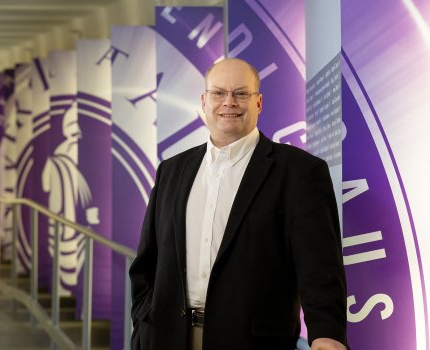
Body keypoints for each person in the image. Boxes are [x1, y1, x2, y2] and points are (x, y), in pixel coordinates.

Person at [129, 58, 349, 350]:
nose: (229, 102)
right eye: (219, 93)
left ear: (258, 102)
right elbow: (148, 260)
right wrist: (144, 318)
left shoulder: (299, 172)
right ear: (204, 102)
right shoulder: (172, 170)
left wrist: (326, 334)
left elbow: (320, 267)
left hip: (252, 341)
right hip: (166, 337)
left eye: (241, 93)